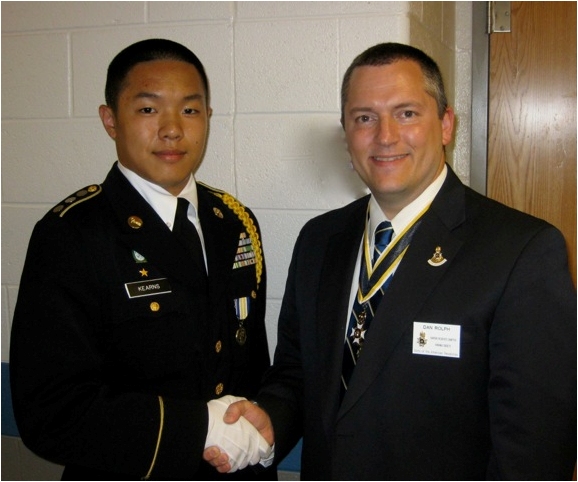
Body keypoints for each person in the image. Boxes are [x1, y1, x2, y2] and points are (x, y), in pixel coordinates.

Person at [203, 42, 577, 480]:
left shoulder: (521, 251)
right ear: (346, 134)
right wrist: (272, 420)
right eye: (364, 118)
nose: (384, 136)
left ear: (445, 124)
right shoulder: (319, 241)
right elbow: (295, 374)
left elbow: (536, 447)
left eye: (406, 113)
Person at [10, 38, 276, 480]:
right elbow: (50, 412)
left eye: (190, 110)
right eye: (148, 110)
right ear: (110, 120)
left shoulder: (235, 221)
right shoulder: (73, 234)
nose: (172, 129)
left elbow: (251, 364)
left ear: (208, 118)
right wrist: (197, 428)